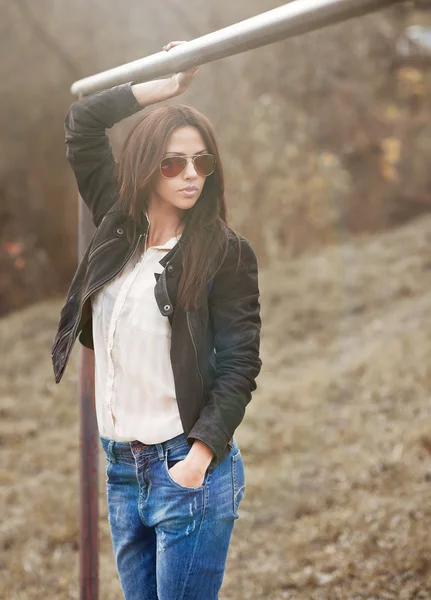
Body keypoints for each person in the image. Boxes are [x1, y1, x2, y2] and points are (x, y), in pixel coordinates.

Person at [51, 40, 262, 600]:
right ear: (148, 165)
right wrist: (165, 86)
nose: (190, 174)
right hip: (122, 468)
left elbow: (241, 364)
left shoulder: (225, 253)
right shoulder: (116, 224)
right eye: (173, 161)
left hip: (185, 468)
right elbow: (82, 121)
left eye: (202, 161)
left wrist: (197, 459)